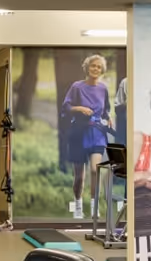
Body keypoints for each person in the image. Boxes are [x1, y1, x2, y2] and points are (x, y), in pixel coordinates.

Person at [61, 54, 113, 218]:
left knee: (95, 170)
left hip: (97, 133)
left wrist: (109, 118)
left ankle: (94, 206)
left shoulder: (103, 88)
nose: (96, 69)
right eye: (93, 66)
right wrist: (80, 109)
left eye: (99, 67)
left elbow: (106, 110)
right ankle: (77, 206)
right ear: (87, 67)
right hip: (79, 132)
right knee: (79, 177)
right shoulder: (77, 87)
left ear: (102, 70)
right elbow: (66, 107)